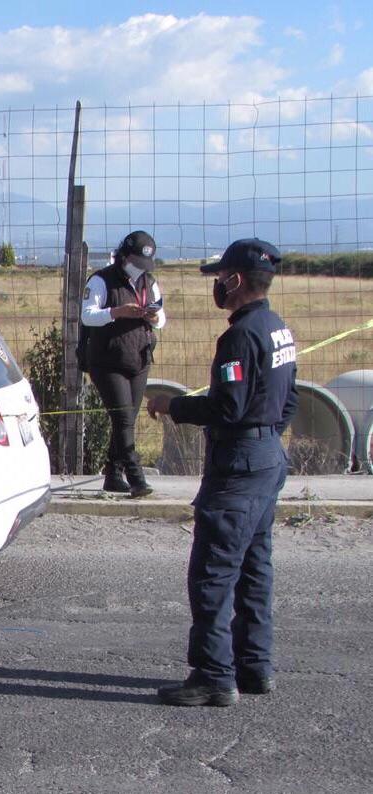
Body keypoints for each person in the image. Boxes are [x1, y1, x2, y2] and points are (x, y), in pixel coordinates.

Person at [146, 238, 297, 707]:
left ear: (235, 280)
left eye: (219, 277)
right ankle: (255, 666)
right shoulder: (278, 329)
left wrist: (175, 406)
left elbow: (226, 407)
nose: (216, 285)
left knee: (213, 573)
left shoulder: (239, 336)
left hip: (238, 468)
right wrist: (265, 437)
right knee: (255, 567)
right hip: (268, 457)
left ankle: (213, 674)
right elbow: (288, 399)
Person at [81, 230, 166, 497]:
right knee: (124, 419)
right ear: (125, 257)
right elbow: (87, 316)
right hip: (107, 361)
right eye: (137, 264)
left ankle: (113, 475)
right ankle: (136, 477)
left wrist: (153, 318)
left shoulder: (149, 282)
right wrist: (116, 312)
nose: (141, 270)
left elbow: (162, 317)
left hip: (139, 359)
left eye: (145, 266)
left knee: (125, 420)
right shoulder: (100, 280)